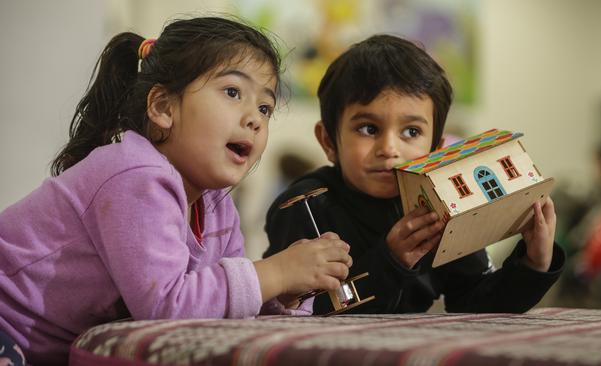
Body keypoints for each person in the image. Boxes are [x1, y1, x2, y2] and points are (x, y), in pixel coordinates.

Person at [0, 16, 352, 364]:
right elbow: (166, 307)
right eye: (233, 92)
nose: (255, 119)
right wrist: (274, 272)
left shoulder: (216, 205)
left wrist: (283, 294)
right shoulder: (134, 174)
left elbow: (214, 310)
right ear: (163, 107)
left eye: (265, 107)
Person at [264, 34, 565, 315]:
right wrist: (390, 261)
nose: (389, 148)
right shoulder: (304, 206)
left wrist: (533, 264)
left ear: (436, 147)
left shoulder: (444, 205)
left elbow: (476, 303)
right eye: (368, 128)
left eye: (411, 131)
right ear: (329, 141)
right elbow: (301, 310)